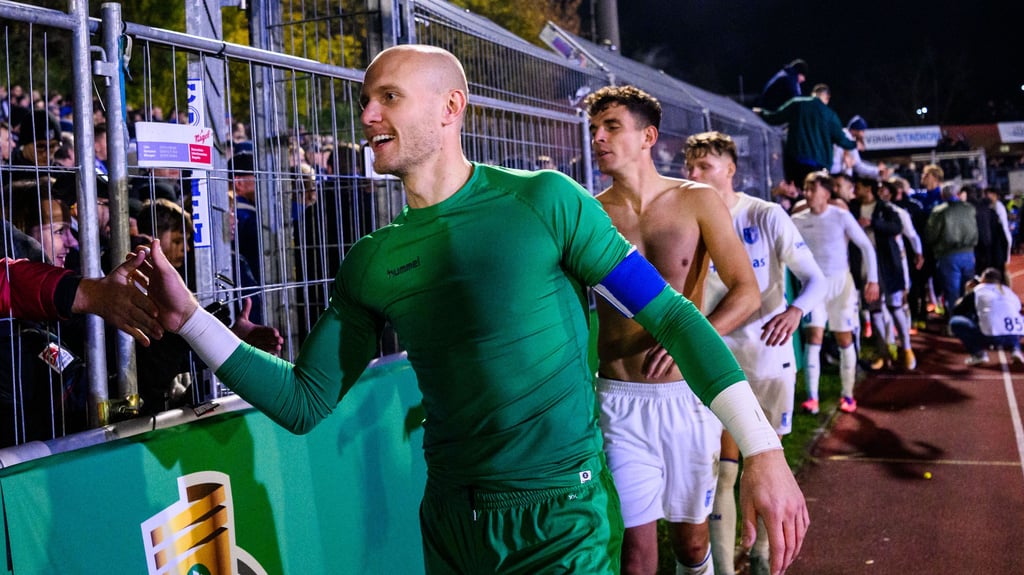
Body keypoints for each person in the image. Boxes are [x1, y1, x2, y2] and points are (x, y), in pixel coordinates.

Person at [141, 45, 807, 575]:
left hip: (560, 521)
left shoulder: (547, 201)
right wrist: (190, 317)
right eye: (364, 100)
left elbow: (674, 317)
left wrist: (761, 449)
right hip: (451, 528)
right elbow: (303, 401)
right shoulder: (371, 259)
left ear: (450, 107)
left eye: (388, 97)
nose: (366, 115)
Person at [585, 87, 762, 575]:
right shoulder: (588, 212)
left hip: (686, 397)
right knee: (635, 552)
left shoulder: (696, 200)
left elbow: (746, 291)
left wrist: (689, 336)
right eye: (594, 129)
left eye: (611, 127)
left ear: (648, 136)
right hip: (618, 399)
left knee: (690, 542)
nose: (598, 138)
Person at [684, 131, 826, 575]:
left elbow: (815, 278)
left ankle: (763, 552)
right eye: (690, 166)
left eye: (704, 166)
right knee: (722, 471)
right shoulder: (688, 216)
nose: (693, 174)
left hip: (767, 358)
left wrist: (796, 311)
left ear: (730, 169)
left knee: (766, 464)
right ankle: (726, 568)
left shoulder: (764, 214)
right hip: (714, 361)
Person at [791, 171, 880, 414]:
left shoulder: (840, 216)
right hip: (813, 287)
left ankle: (848, 395)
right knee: (814, 338)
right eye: (805, 189)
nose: (807, 193)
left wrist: (873, 280)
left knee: (844, 339)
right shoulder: (797, 220)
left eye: (812, 189)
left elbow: (866, 246)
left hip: (841, 286)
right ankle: (812, 398)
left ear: (826, 193)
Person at [848, 177, 914, 370]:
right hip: (865, 267)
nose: (855, 190)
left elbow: (897, 227)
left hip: (887, 265)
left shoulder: (885, 208)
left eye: (858, 187)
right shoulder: (852, 209)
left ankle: (907, 349)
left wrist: (873, 223)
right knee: (874, 310)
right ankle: (883, 353)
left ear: (868, 189)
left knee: (895, 307)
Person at [755, 84, 857, 188]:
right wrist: (855, 143)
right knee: (812, 191)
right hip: (818, 166)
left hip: (795, 161)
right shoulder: (830, 115)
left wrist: (761, 113)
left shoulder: (798, 104)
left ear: (813, 94)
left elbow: (774, 118)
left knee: (795, 191)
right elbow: (842, 140)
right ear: (827, 97)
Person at [949, 268, 1024, 366]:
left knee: (955, 322)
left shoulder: (978, 290)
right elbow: (1017, 310)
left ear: (983, 279)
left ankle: (978, 354)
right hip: (1016, 335)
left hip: (991, 337)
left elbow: (957, 310)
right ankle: (1016, 349)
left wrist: (967, 293)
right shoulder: (1008, 291)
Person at [926, 183, 977, 315]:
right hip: (969, 253)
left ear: (943, 195)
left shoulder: (939, 211)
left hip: (948, 254)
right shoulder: (969, 208)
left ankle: (955, 319)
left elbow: (931, 234)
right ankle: (969, 316)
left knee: (952, 290)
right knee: (968, 288)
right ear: (957, 194)